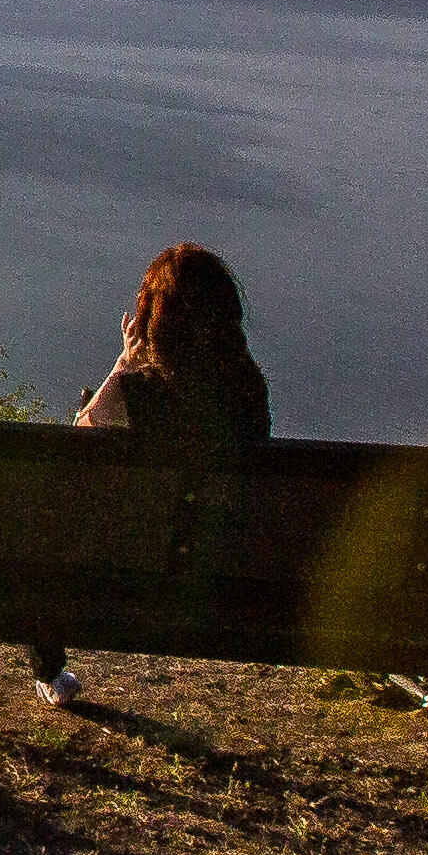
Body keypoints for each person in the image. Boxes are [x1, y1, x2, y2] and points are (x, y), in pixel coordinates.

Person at [29, 242, 271, 708]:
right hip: (227, 575)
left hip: (125, 571)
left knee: (46, 511)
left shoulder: (135, 391)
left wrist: (123, 365)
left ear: (155, 323)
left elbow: (75, 446)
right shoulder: (250, 390)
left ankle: (50, 668)